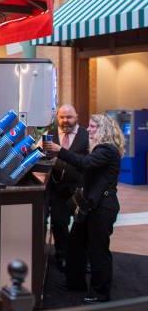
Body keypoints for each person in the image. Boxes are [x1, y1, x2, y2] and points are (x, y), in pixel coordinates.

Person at [44, 114, 124, 304]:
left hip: (102, 208)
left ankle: (100, 293)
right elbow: (86, 169)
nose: (87, 130)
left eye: (92, 127)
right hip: (91, 207)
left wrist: (59, 150)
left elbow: (85, 164)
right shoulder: (99, 150)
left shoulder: (107, 149)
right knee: (76, 245)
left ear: (104, 129)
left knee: (98, 251)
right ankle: (75, 283)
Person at [46, 104, 89, 272]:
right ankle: (62, 257)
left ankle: (82, 259)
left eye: (69, 117)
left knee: (83, 225)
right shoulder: (49, 135)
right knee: (59, 224)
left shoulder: (86, 135)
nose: (65, 121)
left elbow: (88, 162)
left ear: (76, 117)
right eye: (62, 117)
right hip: (58, 190)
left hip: (80, 190)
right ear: (57, 118)